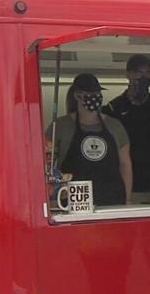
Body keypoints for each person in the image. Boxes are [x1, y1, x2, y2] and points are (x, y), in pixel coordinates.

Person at [47, 73, 132, 206]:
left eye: (97, 93)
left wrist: (127, 199)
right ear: (77, 96)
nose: (95, 96)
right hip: (74, 203)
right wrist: (53, 193)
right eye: (90, 93)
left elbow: (125, 164)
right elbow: (47, 164)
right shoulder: (60, 126)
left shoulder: (115, 126)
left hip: (112, 201)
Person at [104, 54, 150, 203]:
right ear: (129, 74)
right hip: (130, 184)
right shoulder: (114, 108)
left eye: (148, 73)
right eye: (139, 73)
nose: (144, 77)